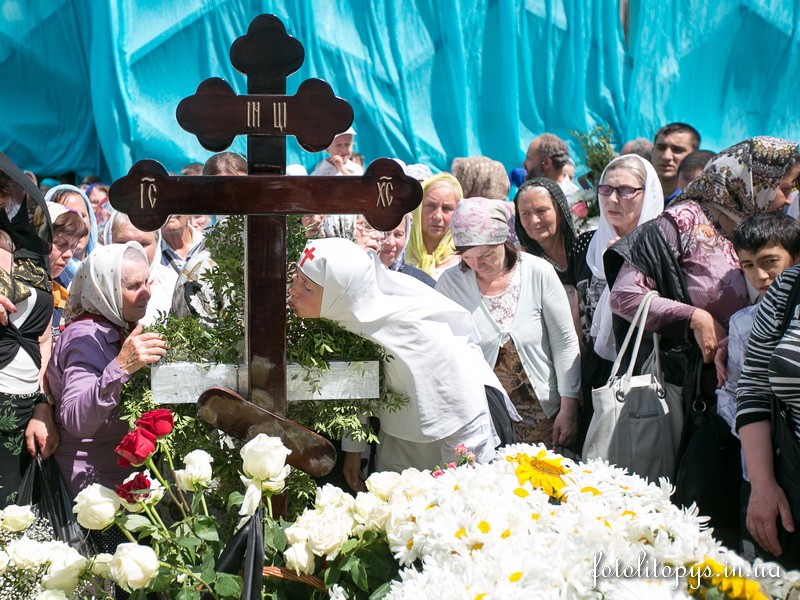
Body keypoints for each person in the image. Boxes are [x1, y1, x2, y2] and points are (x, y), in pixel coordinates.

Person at [606, 137, 800, 548]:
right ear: (753, 180)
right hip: (706, 401)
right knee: (713, 528)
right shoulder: (681, 223)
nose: (788, 198)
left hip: (776, 397)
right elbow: (624, 296)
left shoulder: (766, 224)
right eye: (784, 186)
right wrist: (695, 317)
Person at [288, 238, 506, 489]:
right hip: (399, 435)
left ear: (338, 295)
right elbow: (362, 379)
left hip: (451, 441)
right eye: (297, 278)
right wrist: (354, 448)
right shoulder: (353, 317)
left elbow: (464, 416)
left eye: (306, 286)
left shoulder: (420, 335)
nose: (293, 290)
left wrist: (455, 488)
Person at [436, 198, 579, 447]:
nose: (478, 264)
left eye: (486, 254)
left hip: (543, 414)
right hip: (483, 416)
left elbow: (565, 343)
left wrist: (569, 407)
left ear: (503, 241)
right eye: (468, 257)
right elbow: (444, 352)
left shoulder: (538, 272)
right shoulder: (450, 284)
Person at [48, 242, 167, 501]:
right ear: (105, 291)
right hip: (91, 489)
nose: (146, 292)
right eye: (133, 286)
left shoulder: (121, 326)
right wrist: (121, 367)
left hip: (123, 479)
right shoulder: (85, 338)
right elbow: (76, 420)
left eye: (147, 282)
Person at [714, 212, 800, 561]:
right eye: (748, 265)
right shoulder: (777, 300)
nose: (760, 275)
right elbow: (745, 391)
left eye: (769, 262)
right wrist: (761, 482)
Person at [0, 154, 59, 506]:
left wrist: (42, 404)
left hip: (26, 409)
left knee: (21, 519)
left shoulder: (30, 250)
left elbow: (44, 338)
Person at [105, 211, 176, 326]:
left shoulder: (173, 284)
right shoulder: (93, 286)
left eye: (143, 244)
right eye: (123, 243)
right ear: (109, 241)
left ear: (157, 243)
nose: (134, 250)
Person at [514, 177, 577, 286]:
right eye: (525, 214)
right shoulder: (518, 262)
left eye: (541, 211)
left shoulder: (584, 250)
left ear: (559, 211)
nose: (534, 220)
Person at [404, 173, 463, 279]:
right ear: (418, 209)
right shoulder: (399, 252)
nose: (438, 216)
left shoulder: (466, 261)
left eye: (446, 208)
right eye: (431, 206)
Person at [46, 204, 88, 342]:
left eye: (73, 247)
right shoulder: (12, 286)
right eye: (61, 244)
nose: (68, 254)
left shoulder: (64, 294)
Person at [45, 184, 98, 285]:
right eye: (69, 214)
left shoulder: (104, 264)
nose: (78, 223)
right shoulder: (50, 275)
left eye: (83, 215)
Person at [378, 214, 436, 287]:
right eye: (384, 233)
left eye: (398, 235)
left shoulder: (421, 283)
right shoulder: (363, 277)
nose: (391, 242)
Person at [651, 122, 701, 205]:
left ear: (693, 156)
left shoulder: (699, 204)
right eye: (661, 148)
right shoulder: (633, 195)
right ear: (652, 152)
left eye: (677, 150)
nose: (666, 157)